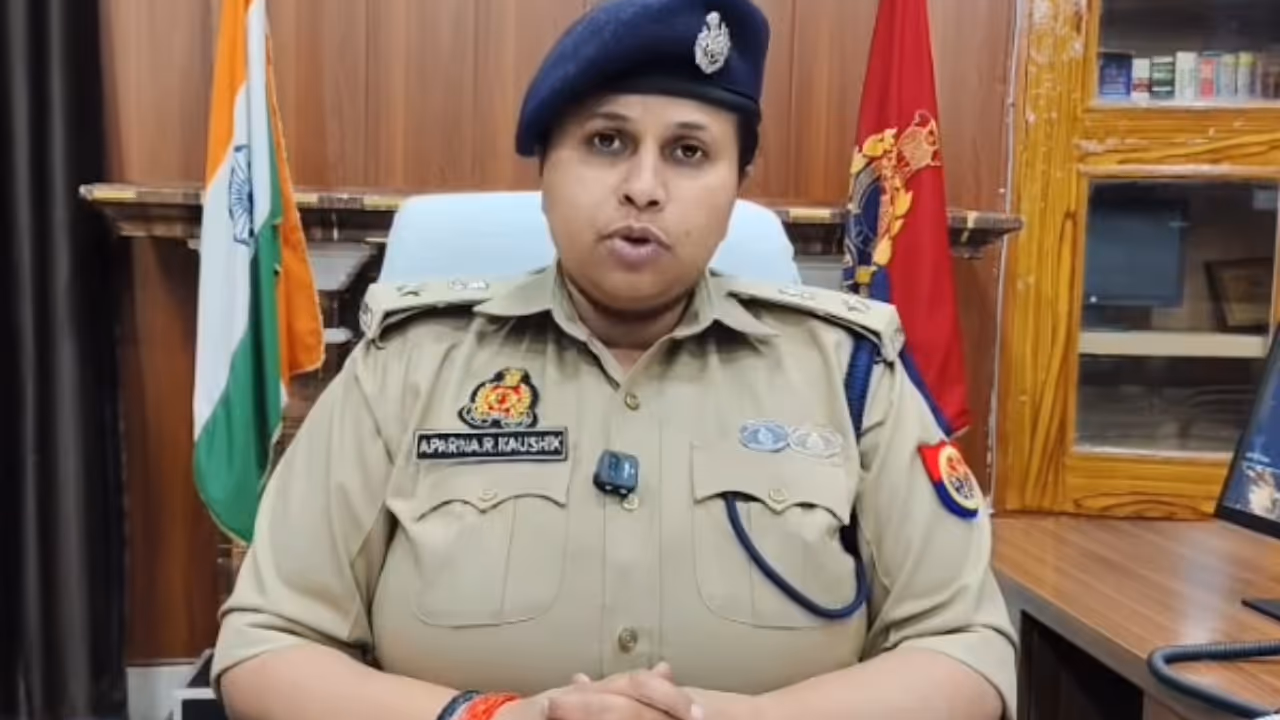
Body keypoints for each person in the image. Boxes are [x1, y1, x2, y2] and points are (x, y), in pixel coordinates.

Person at [210, 0, 1018, 718]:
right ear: (545, 172)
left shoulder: (847, 376)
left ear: (737, 186)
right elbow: (269, 640)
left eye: (689, 152)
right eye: (606, 142)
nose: (643, 187)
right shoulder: (408, 369)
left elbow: (965, 647)